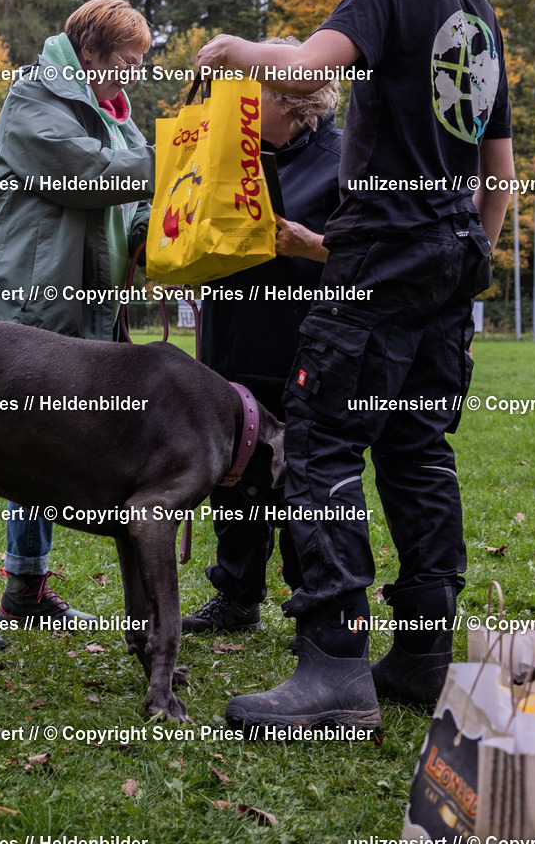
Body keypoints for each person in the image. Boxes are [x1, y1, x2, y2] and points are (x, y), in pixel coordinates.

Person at [197, 0, 514, 733]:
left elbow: (303, 62)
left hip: (377, 259)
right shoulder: (479, 17)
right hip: (449, 256)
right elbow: (502, 177)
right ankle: (422, 654)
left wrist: (234, 53)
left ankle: (334, 668)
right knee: (417, 451)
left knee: (322, 443)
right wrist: (465, 256)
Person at [0, 0, 156, 650]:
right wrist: (177, 169)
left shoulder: (120, 125)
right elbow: (82, 178)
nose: (131, 77)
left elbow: (126, 210)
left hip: (73, 310)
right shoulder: (34, 98)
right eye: (125, 64)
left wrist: (167, 227)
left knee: (45, 443)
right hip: (12, 305)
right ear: (89, 53)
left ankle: (26, 589)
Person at [182, 40, 341, 634]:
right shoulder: (231, 150)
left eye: (255, 91)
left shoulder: (345, 159)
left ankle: (314, 601)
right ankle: (236, 594)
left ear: (294, 103)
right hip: (229, 339)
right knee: (236, 470)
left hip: (302, 344)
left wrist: (309, 246)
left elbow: (374, 258)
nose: (243, 100)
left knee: (304, 477)